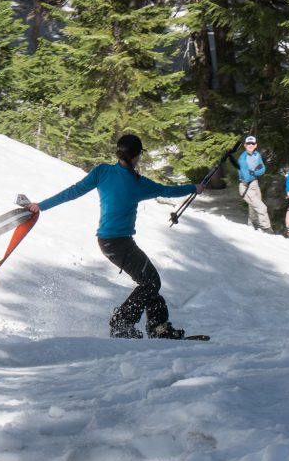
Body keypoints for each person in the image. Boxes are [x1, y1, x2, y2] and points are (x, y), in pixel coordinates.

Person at [26, 134, 205, 339]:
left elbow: (73, 192)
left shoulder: (103, 171)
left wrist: (41, 206)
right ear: (137, 156)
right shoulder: (139, 184)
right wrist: (194, 188)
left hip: (110, 242)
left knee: (150, 282)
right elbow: (167, 190)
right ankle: (123, 322)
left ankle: (158, 327)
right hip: (118, 243)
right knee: (151, 283)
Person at [237, 135, 273, 233]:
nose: (250, 145)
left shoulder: (257, 155)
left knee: (253, 208)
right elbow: (247, 177)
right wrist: (255, 172)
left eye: (252, 143)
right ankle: (266, 228)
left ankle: (252, 227)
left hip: (254, 184)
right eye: (248, 143)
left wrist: (253, 172)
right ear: (245, 145)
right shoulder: (242, 159)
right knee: (261, 207)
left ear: (256, 145)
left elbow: (263, 169)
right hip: (245, 186)